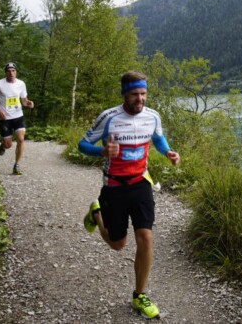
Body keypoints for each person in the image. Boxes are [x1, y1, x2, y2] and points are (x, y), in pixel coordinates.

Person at [78, 71, 180, 319]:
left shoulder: (152, 116)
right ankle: (96, 213)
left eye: (143, 94)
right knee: (118, 244)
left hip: (141, 183)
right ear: (124, 94)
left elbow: (158, 139)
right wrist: (102, 152)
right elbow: (82, 144)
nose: (140, 99)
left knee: (146, 237)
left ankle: (139, 295)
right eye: (135, 94)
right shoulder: (109, 117)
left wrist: (168, 152)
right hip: (114, 186)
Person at [0, 62, 34, 175]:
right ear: (5, 73)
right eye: (9, 71)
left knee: (21, 139)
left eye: (13, 71)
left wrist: (29, 103)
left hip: (18, 116)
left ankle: (16, 165)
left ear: (16, 72)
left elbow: (24, 101)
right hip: (4, 119)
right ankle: (3, 144)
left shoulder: (21, 84)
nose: (11, 73)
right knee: (9, 145)